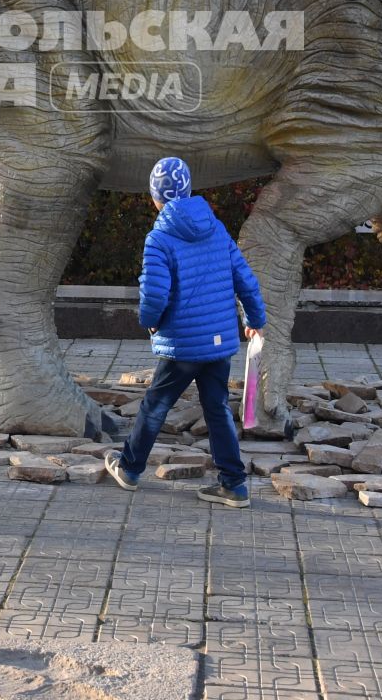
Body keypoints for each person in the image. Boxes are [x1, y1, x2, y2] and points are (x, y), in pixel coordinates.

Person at [104, 157, 266, 508]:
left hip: (182, 343)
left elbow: (154, 294)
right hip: (220, 341)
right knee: (218, 408)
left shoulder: (159, 238)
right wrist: (255, 319)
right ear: (189, 190)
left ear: (155, 198)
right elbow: (245, 280)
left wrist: (150, 321)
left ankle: (130, 469)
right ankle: (233, 485)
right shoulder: (216, 227)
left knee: (155, 406)